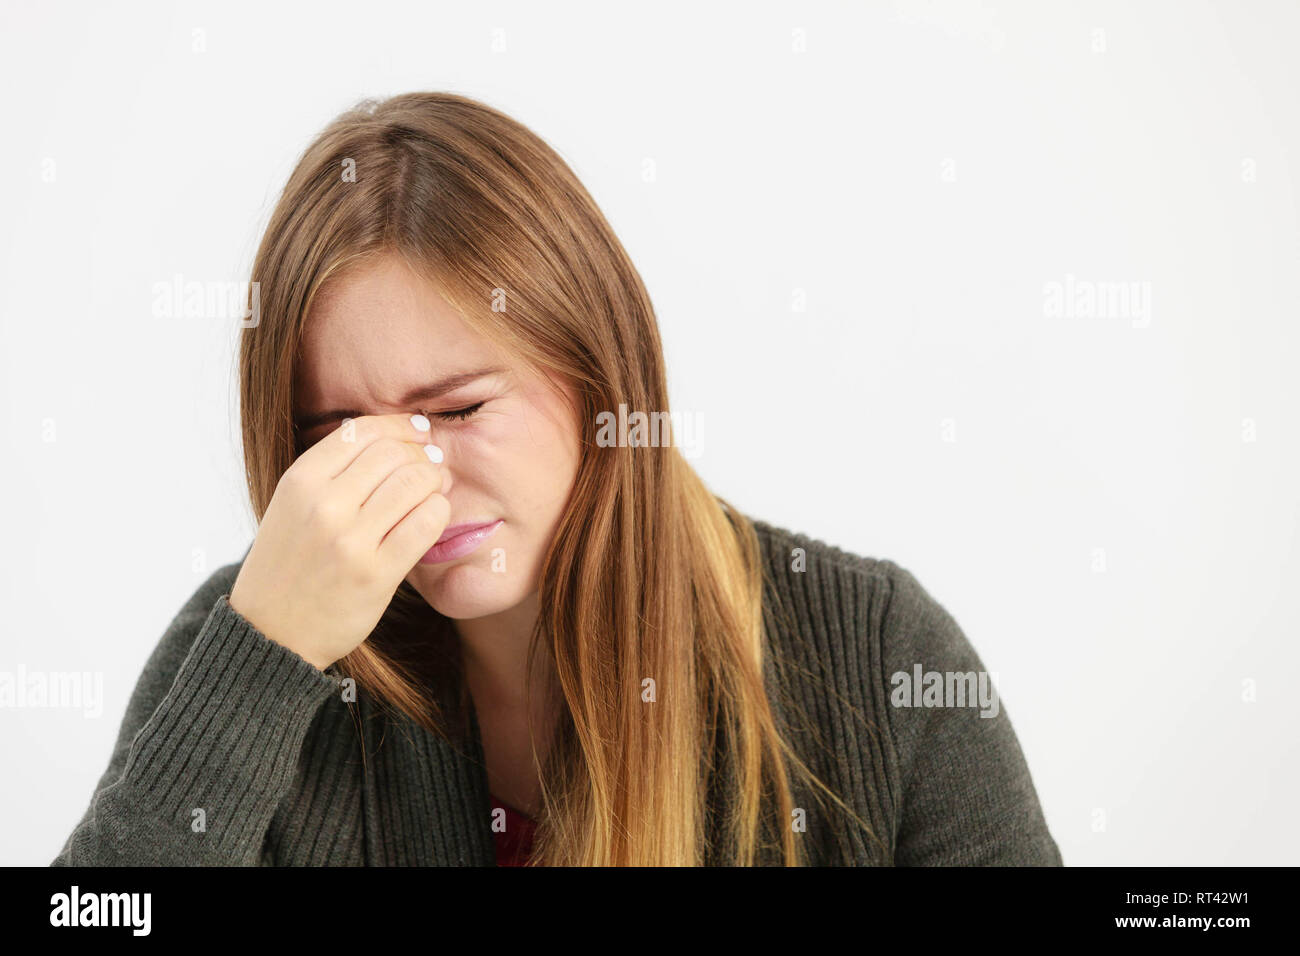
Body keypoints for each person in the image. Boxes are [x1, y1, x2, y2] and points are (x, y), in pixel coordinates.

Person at [52, 92, 1062, 866]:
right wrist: (259, 662)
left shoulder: (872, 652)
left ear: (597, 376)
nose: (413, 476)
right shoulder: (248, 641)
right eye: (344, 431)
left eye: (458, 408)